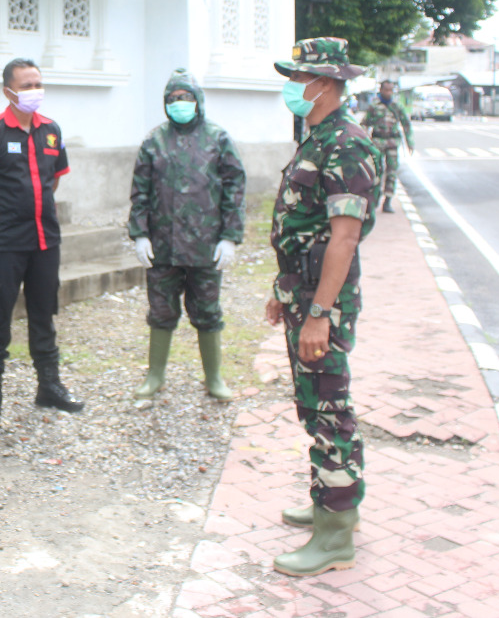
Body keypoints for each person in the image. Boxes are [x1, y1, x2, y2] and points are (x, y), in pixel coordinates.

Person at [265, 37, 381, 577]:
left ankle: (335, 533)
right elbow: (300, 227)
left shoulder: (347, 145)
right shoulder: (318, 137)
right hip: (302, 291)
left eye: (299, 77)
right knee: (315, 403)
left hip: (322, 304)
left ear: (327, 84)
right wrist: (282, 289)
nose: (293, 86)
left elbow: (342, 239)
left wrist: (317, 313)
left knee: (328, 409)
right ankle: (329, 502)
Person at [0, 58, 83, 430]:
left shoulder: (51, 130)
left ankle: (49, 386)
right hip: (5, 241)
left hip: (46, 240)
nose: (34, 91)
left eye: (37, 84)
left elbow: (54, 180)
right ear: (8, 91)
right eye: (26, 85)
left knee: (43, 313)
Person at [128, 69, 246, 402]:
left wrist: (230, 236)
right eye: (174, 99)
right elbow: (140, 191)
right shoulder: (154, 141)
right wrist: (140, 234)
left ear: (198, 101)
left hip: (205, 246)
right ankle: (155, 376)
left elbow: (235, 188)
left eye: (186, 98)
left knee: (208, 312)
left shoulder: (217, 139)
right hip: (162, 247)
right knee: (161, 312)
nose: (180, 104)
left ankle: (214, 378)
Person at [360, 80, 413, 213]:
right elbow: (365, 123)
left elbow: (406, 124)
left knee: (392, 172)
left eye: (391, 90)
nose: (389, 93)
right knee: (376, 171)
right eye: (386, 90)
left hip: (392, 143)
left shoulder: (397, 106)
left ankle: (388, 200)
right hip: (377, 142)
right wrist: (363, 141)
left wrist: (409, 142)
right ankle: (375, 198)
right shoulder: (374, 106)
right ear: (381, 90)